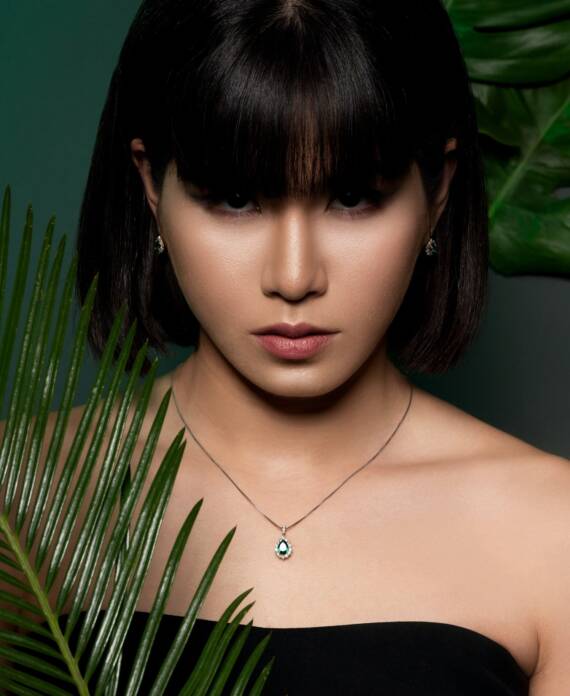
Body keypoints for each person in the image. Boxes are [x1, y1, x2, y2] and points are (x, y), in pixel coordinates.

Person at [72, 0, 569, 693]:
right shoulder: (24, 497)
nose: (294, 276)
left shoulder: (553, 530)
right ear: (152, 184)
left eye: (354, 198)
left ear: (438, 190)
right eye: (236, 199)